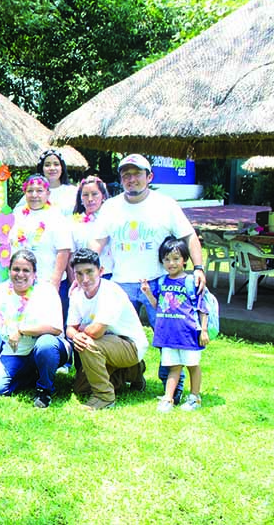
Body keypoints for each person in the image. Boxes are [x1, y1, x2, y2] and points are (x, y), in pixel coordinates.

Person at [89, 153, 205, 403]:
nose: (131, 179)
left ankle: (172, 388)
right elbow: (97, 242)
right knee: (118, 336)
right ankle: (127, 377)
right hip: (121, 282)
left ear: (149, 176)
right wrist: (86, 271)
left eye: (136, 174)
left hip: (160, 282)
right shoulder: (110, 207)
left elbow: (189, 236)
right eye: (126, 175)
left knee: (168, 337)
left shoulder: (165, 204)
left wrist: (198, 268)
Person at [0, 250, 70, 408]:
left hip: (47, 347)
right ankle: (31, 376)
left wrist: (21, 330)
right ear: (9, 271)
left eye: (26, 270)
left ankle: (44, 390)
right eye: (16, 269)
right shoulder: (0, 291)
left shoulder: (46, 290)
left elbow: (55, 328)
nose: (20, 274)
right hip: (14, 352)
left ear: (34, 274)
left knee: (46, 345)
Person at [67, 248, 148, 411]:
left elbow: (96, 332)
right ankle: (133, 372)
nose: (85, 279)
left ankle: (104, 397)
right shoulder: (77, 295)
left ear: (101, 271)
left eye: (89, 272)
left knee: (87, 344)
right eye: (79, 274)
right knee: (81, 388)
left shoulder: (111, 291)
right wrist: (75, 336)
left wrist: (79, 333)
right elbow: (70, 328)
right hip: (105, 345)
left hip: (129, 345)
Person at [141, 237, 209, 412]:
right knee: (174, 367)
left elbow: (202, 308)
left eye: (176, 258)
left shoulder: (191, 281)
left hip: (188, 334)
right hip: (168, 335)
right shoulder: (162, 282)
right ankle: (168, 398)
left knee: (193, 366)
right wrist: (148, 293)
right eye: (167, 259)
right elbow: (158, 306)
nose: (171, 263)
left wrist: (203, 330)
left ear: (184, 260)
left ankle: (194, 397)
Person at [7, 174, 72, 289]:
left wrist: (55, 281)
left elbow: (63, 250)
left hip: (47, 280)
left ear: (48, 193)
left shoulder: (56, 216)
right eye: (30, 191)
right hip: (20, 280)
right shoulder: (17, 214)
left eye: (39, 191)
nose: (34, 195)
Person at [69, 175, 114, 278]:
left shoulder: (111, 218)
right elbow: (71, 254)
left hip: (108, 274)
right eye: (85, 195)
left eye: (94, 194)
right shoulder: (73, 223)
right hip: (83, 276)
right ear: (80, 198)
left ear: (103, 196)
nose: (90, 199)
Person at [15, 149, 78, 215]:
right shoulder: (33, 193)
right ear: (42, 169)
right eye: (47, 165)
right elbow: (17, 213)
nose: (52, 168)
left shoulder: (74, 192)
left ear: (62, 168)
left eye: (56, 164)